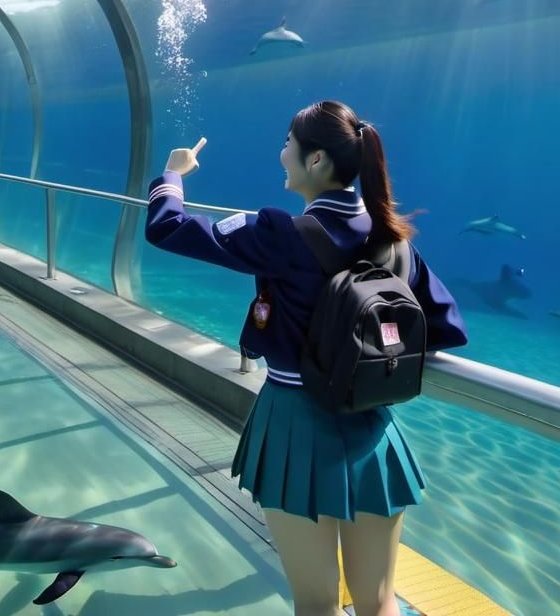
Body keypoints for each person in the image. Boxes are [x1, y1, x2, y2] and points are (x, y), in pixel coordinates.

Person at [144, 100, 467, 616]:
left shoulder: (278, 234)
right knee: (379, 601)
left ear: (315, 159)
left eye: (287, 144)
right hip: (373, 431)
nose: (282, 154)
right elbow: (445, 327)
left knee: (317, 604)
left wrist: (173, 174)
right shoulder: (395, 242)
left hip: (295, 424)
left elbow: (166, 227)